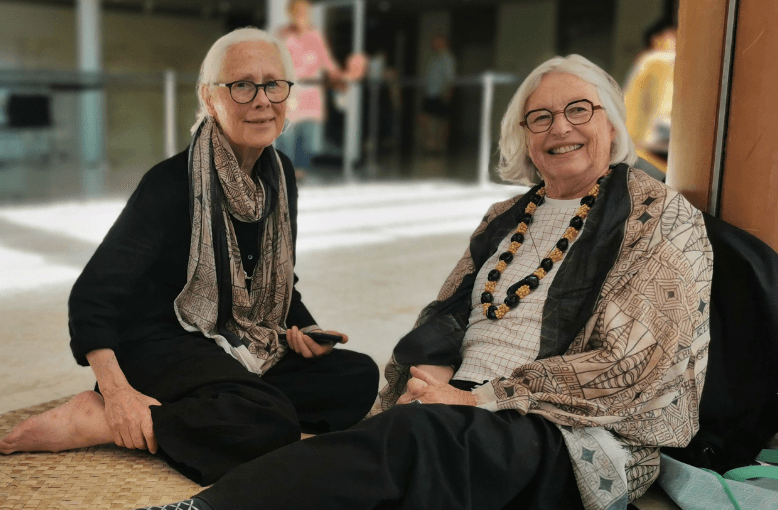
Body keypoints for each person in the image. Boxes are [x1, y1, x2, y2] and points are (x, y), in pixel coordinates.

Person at [136, 54, 713, 510]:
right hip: (461, 400)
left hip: (565, 427)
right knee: (404, 454)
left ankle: (207, 509)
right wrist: (431, 374)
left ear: (612, 120)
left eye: (580, 110)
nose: (560, 127)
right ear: (525, 136)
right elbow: (447, 311)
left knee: (413, 446)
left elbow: (636, 363)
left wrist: (477, 398)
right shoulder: (506, 216)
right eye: (540, 117)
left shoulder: (659, 217)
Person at [0, 27, 380, 487]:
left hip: (239, 337)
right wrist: (116, 393)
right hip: (158, 339)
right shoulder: (171, 183)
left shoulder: (281, 174)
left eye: (273, 84)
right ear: (209, 97)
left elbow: (278, 281)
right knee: (270, 422)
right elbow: (92, 297)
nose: (261, 100)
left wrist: (305, 329)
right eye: (241, 85)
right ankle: (98, 419)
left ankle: (222, 404)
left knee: (356, 377)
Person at [275, 0, 365, 176]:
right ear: (291, 13)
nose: (303, 14)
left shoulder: (316, 35)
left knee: (309, 140)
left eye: (305, 11)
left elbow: (327, 61)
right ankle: (286, 174)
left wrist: (342, 75)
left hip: (311, 94)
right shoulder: (283, 35)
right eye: (298, 11)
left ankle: (299, 173)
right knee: (287, 137)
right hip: (290, 92)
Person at [624, 22, 677, 173]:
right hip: (651, 152)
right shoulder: (658, 62)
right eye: (674, 36)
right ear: (657, 40)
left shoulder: (652, 63)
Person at [418, 34, 456, 154]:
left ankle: (439, 146)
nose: (433, 44)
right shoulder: (435, 59)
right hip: (431, 93)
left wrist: (447, 93)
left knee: (442, 120)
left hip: (440, 93)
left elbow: (450, 78)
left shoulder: (447, 58)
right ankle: (431, 143)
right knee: (426, 118)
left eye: (436, 42)